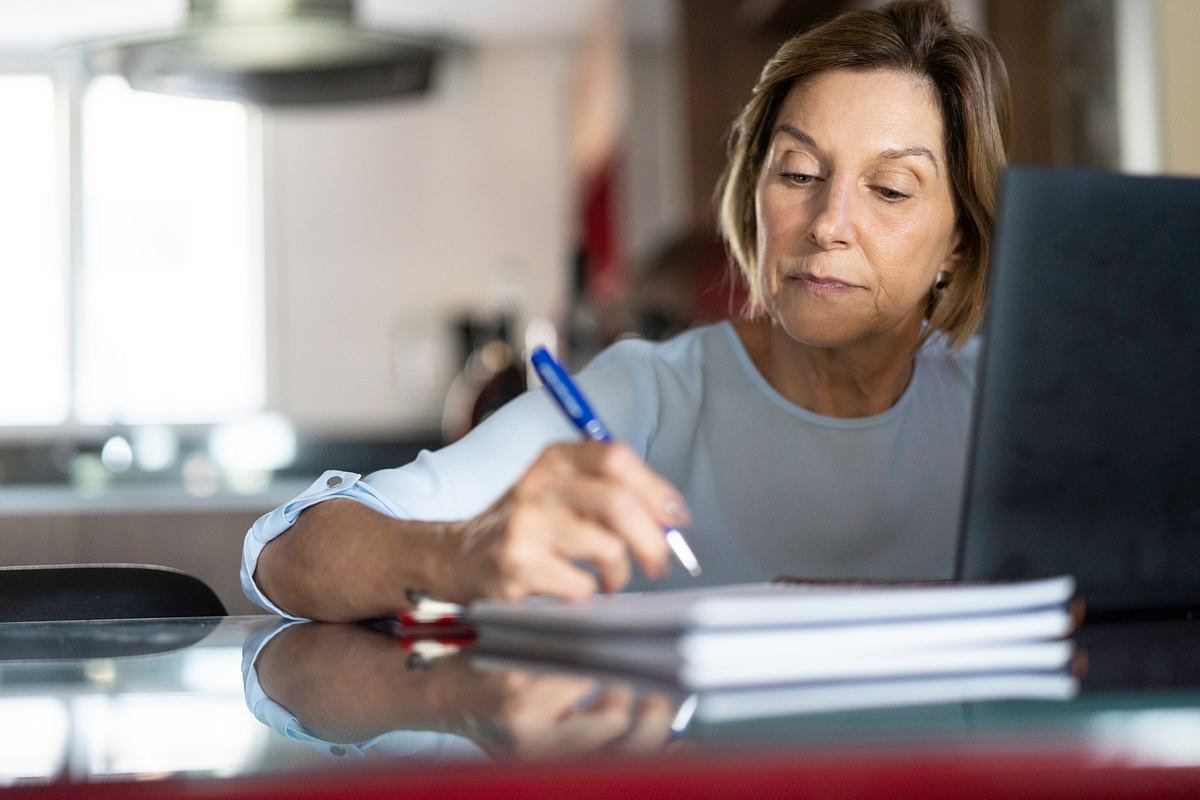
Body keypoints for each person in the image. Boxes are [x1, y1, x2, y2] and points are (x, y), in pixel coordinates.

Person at [241, 0, 1011, 622]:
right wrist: (455, 555)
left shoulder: (1011, 410)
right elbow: (281, 550)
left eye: (891, 190)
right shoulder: (644, 396)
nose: (827, 222)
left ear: (957, 241)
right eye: (799, 172)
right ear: (756, 193)